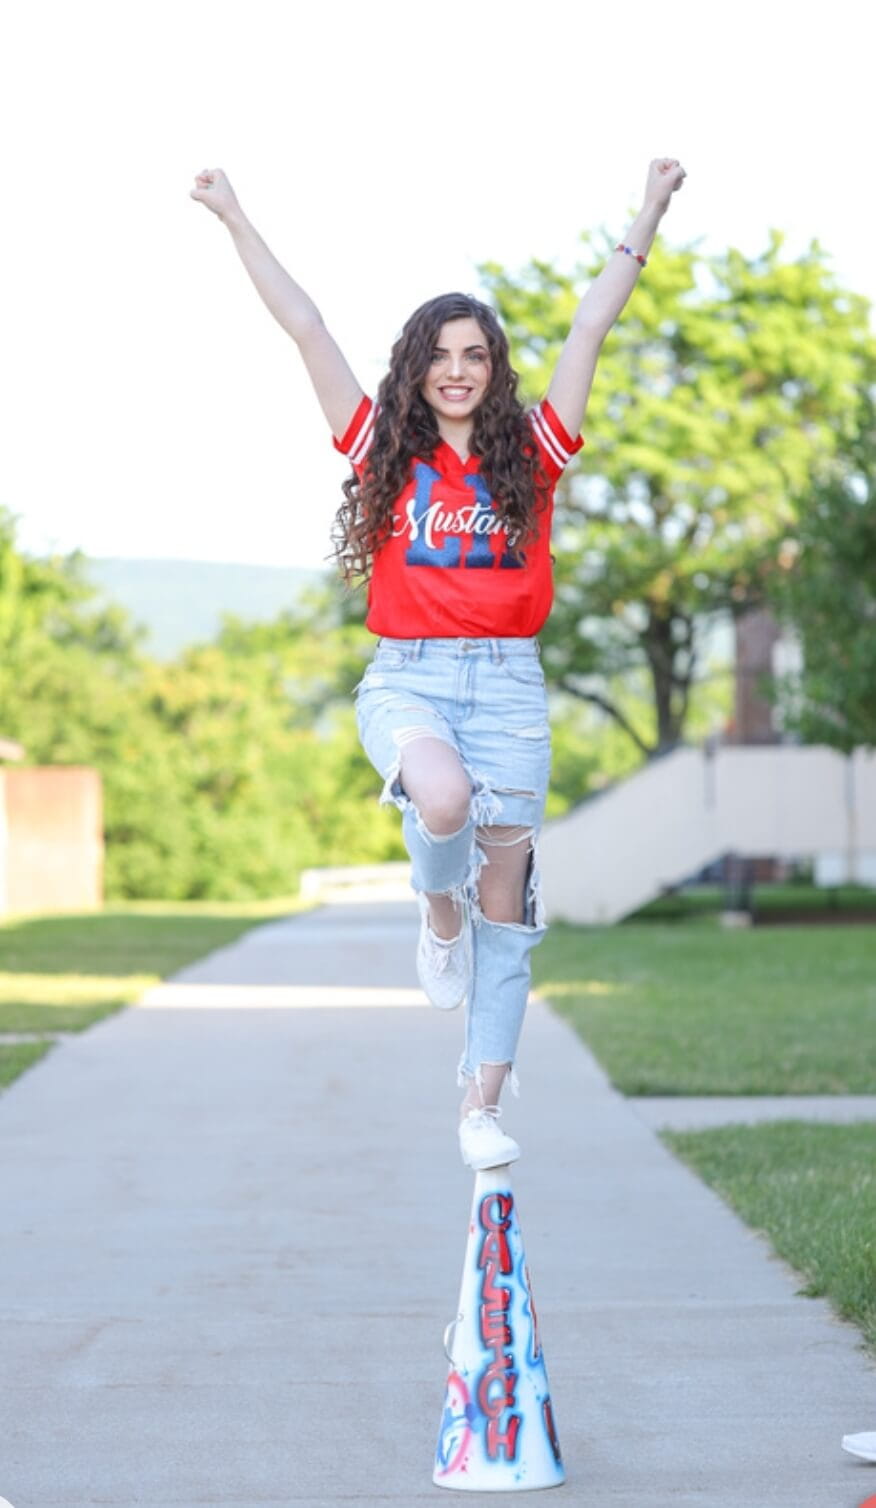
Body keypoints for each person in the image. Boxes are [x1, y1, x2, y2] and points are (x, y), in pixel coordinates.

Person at [190, 158, 686, 1170]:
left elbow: (590, 326)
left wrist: (647, 211)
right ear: (415, 367)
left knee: (511, 915)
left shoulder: (535, 454)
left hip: (510, 689)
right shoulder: (381, 448)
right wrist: (234, 215)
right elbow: (307, 325)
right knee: (443, 801)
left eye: (475, 354)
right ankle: (434, 908)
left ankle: (481, 1103)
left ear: (494, 368)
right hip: (409, 677)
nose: (457, 369)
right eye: (440, 354)